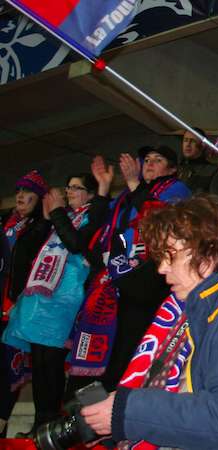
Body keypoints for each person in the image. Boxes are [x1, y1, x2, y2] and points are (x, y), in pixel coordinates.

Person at [79, 195, 218, 449]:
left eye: (171, 255)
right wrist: (117, 419)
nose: (161, 269)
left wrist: (129, 413)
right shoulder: (200, 318)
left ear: (210, 253)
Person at [3, 170, 107, 436]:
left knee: (51, 364)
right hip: (43, 300)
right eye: (68, 187)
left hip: (65, 301)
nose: (70, 191)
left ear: (90, 194)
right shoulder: (64, 217)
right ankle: (40, 425)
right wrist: (49, 217)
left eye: (76, 187)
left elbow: (76, 244)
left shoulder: (92, 214)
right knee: (38, 364)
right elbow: (30, 248)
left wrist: (59, 213)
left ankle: (51, 425)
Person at [96, 146, 192, 390]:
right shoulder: (126, 196)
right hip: (118, 274)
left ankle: (121, 405)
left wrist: (132, 183)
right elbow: (100, 228)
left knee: (131, 345)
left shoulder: (176, 189)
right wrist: (103, 189)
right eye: (147, 159)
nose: (149, 163)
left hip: (149, 278)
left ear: (171, 169)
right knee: (112, 348)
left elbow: (160, 221)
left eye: (158, 160)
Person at [0, 170, 50, 437]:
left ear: (39, 198)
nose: (19, 196)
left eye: (26, 192)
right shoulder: (6, 223)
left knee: (8, 372)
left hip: (18, 309)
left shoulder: (41, 228)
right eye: (18, 190)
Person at [177, 127, 218, 196]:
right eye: (185, 140)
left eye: (192, 141)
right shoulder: (176, 166)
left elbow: (216, 201)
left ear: (202, 145)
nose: (188, 144)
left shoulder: (213, 171)